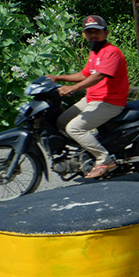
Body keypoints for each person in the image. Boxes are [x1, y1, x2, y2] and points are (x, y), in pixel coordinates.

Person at [47, 15, 130, 179]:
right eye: (89, 32)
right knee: (61, 122)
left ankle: (104, 160)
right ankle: (88, 150)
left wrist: (74, 88)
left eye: (97, 32)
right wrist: (58, 78)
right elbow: (84, 74)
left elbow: (99, 76)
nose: (93, 35)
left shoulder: (112, 52)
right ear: (84, 35)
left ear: (106, 33)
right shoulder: (95, 53)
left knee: (74, 128)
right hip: (92, 99)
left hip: (110, 102)